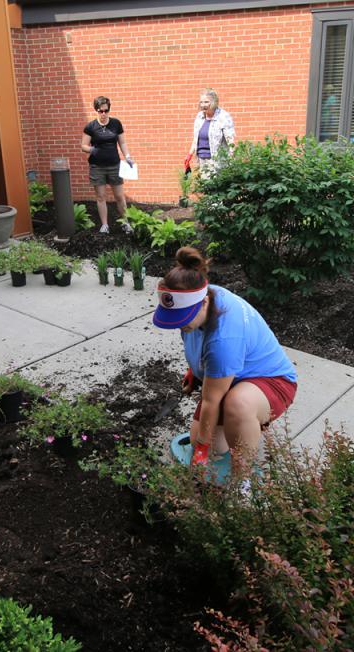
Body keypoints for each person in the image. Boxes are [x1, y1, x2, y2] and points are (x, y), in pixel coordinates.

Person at [153, 247, 297, 479]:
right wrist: (195, 369)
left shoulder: (225, 338)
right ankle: (244, 423)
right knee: (213, 447)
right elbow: (198, 342)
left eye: (183, 319)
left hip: (272, 382)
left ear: (203, 303)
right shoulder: (204, 295)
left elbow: (211, 400)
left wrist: (200, 449)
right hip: (231, 377)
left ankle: (244, 480)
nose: (180, 325)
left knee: (236, 406)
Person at [80, 96, 133, 234]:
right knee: (101, 196)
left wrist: (127, 156)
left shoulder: (116, 123)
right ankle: (105, 225)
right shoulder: (91, 127)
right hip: (97, 167)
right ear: (96, 110)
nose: (103, 113)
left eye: (106, 110)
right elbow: (83, 146)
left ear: (109, 109)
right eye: (100, 111)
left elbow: (122, 143)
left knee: (120, 196)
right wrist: (92, 149)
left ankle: (126, 222)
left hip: (114, 165)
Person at [188, 89, 235, 177]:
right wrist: (189, 154)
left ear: (214, 102)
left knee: (215, 187)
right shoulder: (199, 116)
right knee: (205, 187)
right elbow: (196, 139)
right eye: (201, 102)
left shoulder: (223, 116)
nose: (203, 105)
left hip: (217, 161)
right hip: (201, 160)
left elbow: (230, 140)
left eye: (206, 102)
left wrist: (232, 158)